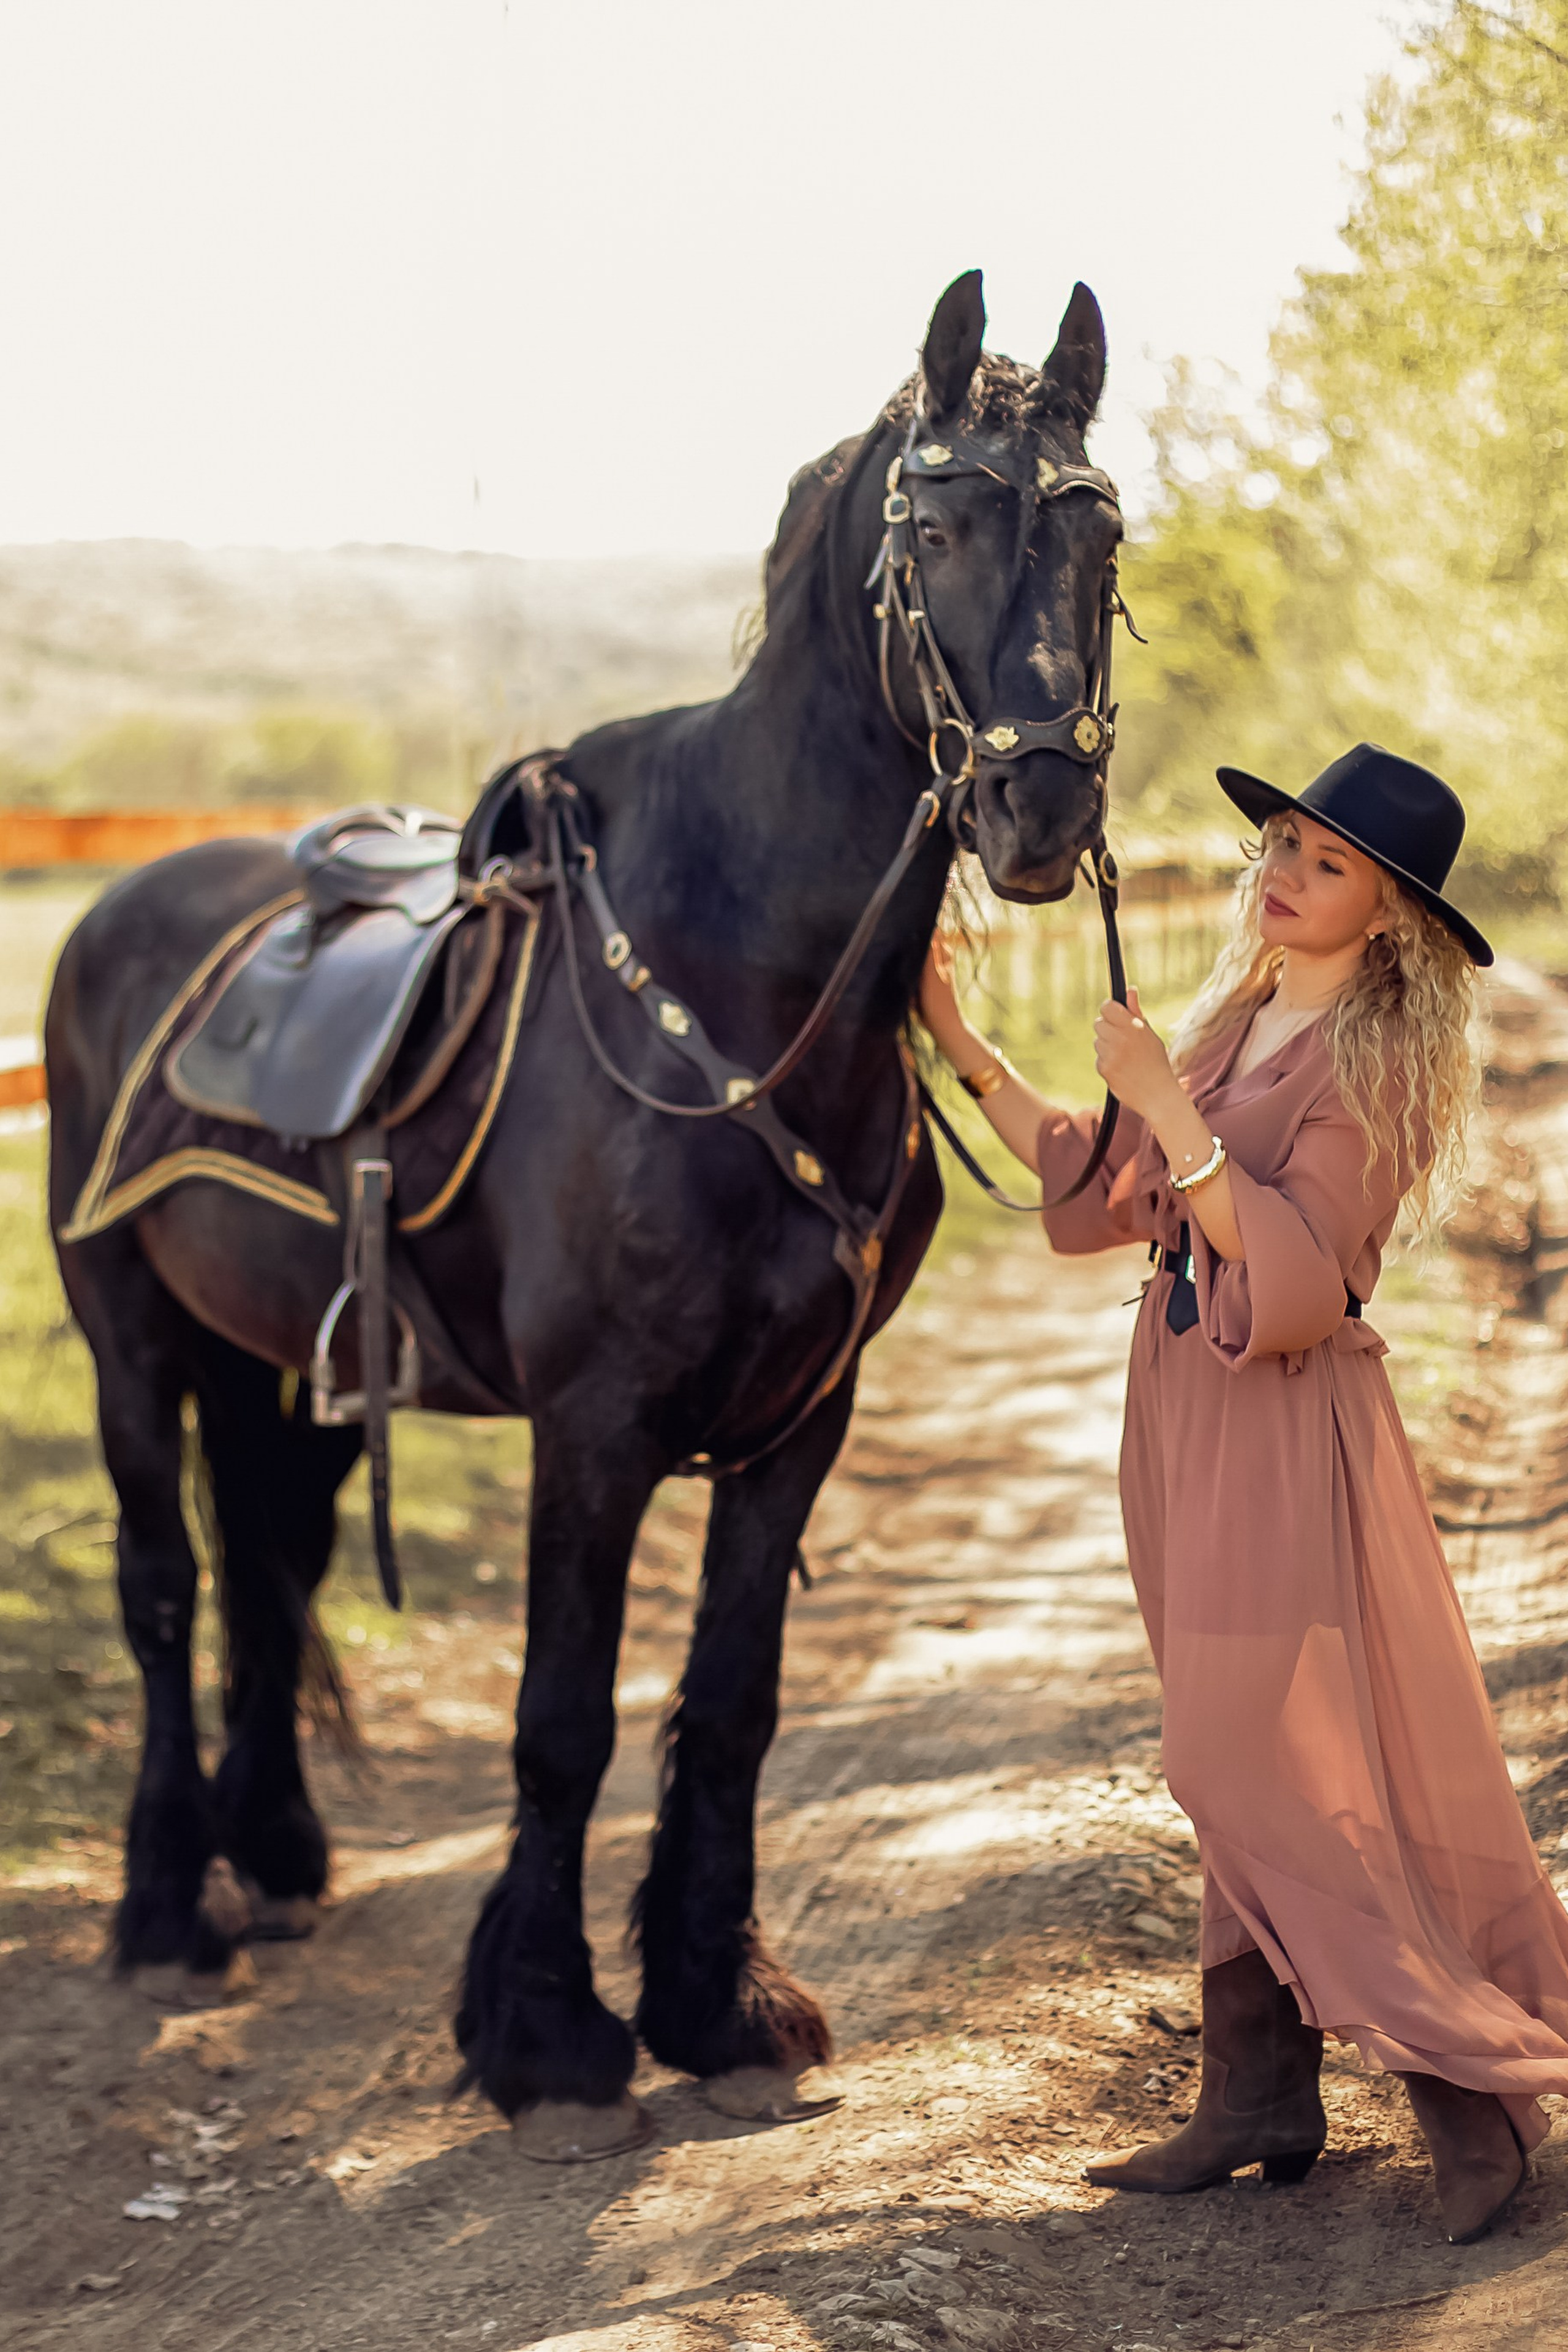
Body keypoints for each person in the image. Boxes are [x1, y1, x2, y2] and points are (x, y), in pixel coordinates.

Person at [918, 744, 1568, 2245]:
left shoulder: (1378, 1064)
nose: (1281, 870)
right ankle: (1254, 2091)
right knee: (1238, 1750)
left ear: (1394, 914)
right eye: (1279, 840)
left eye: (1324, 861)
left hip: (1283, 1416)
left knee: (1243, 1758)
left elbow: (1296, 1277)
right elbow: (1094, 1184)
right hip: (1175, 1411)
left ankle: (1460, 2087)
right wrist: (955, 1030)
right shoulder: (1235, 1014)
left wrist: (1171, 1105)